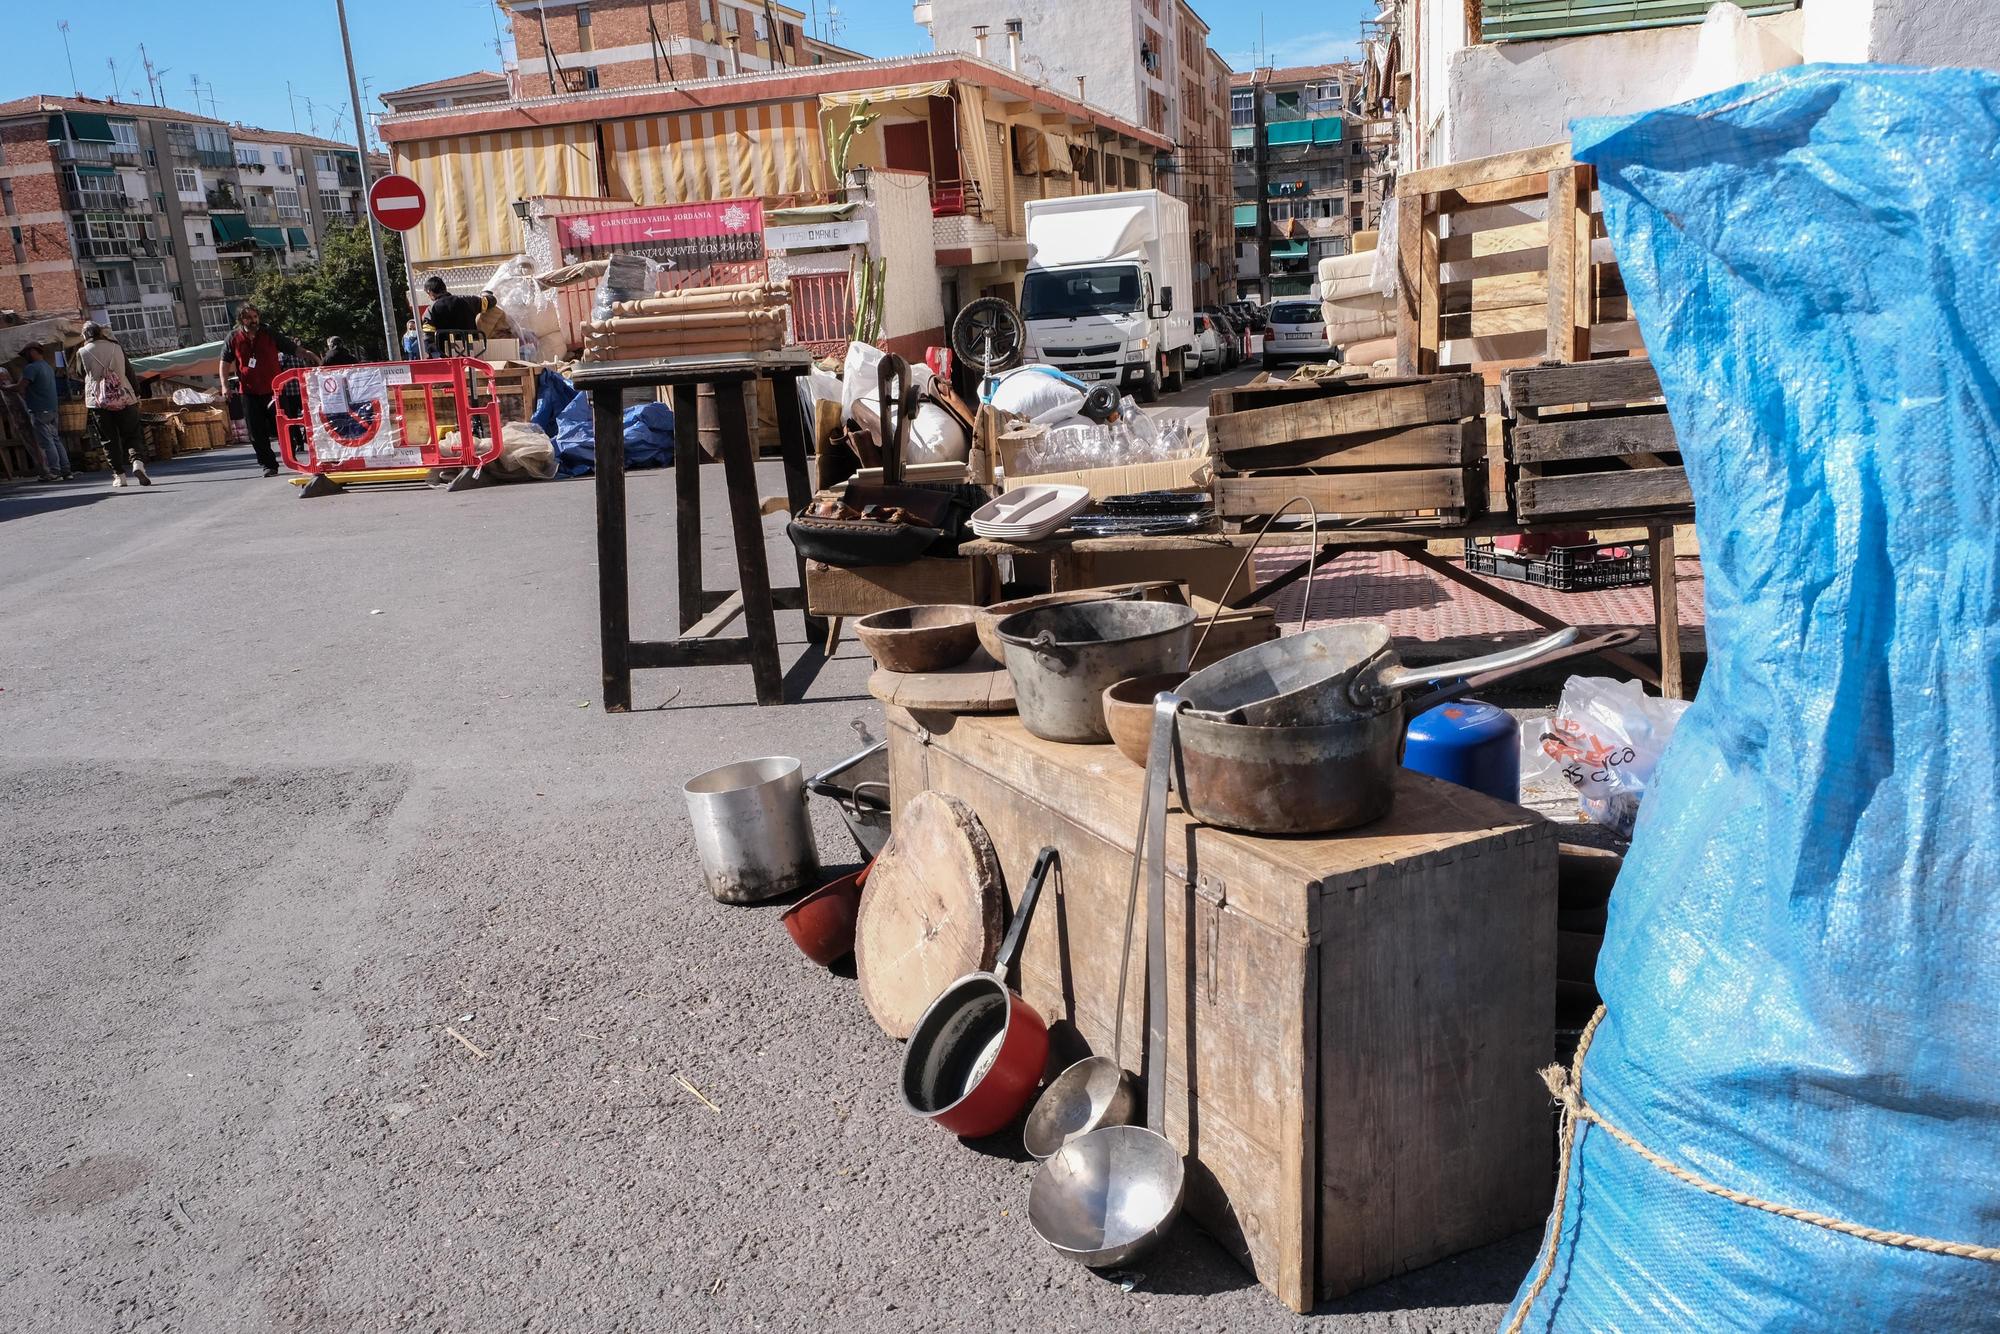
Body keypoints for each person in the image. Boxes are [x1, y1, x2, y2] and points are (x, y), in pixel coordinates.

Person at [219, 304, 315, 477]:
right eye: (249, 317)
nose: (254, 320)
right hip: (248, 392)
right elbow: (224, 362)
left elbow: (291, 348)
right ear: (241, 320)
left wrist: (308, 354)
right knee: (256, 432)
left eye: (255, 317)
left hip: (275, 390)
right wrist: (225, 385)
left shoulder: (269, 333)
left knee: (283, 426)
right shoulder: (233, 337)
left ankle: (290, 457)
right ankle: (268, 465)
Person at [76, 323, 150, 488]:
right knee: (132, 434)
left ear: (85, 335)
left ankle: (119, 476)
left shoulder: (82, 352)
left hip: (98, 402)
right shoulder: (116, 347)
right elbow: (129, 372)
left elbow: (81, 374)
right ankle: (137, 463)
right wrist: (136, 393)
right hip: (125, 398)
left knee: (108, 439)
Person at [18, 342, 71, 481]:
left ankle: (55, 472)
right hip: (52, 408)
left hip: (39, 409)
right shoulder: (47, 366)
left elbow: (20, 387)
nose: (25, 357)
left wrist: (5, 388)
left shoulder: (31, 368)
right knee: (55, 440)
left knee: (47, 442)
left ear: (33, 351)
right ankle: (66, 471)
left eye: (26, 354)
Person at [420, 275, 480, 356]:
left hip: (447, 355)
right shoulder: (467, 300)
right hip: (474, 351)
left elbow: (428, 338)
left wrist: (436, 354)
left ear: (430, 292)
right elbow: (490, 301)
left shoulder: (431, 310)